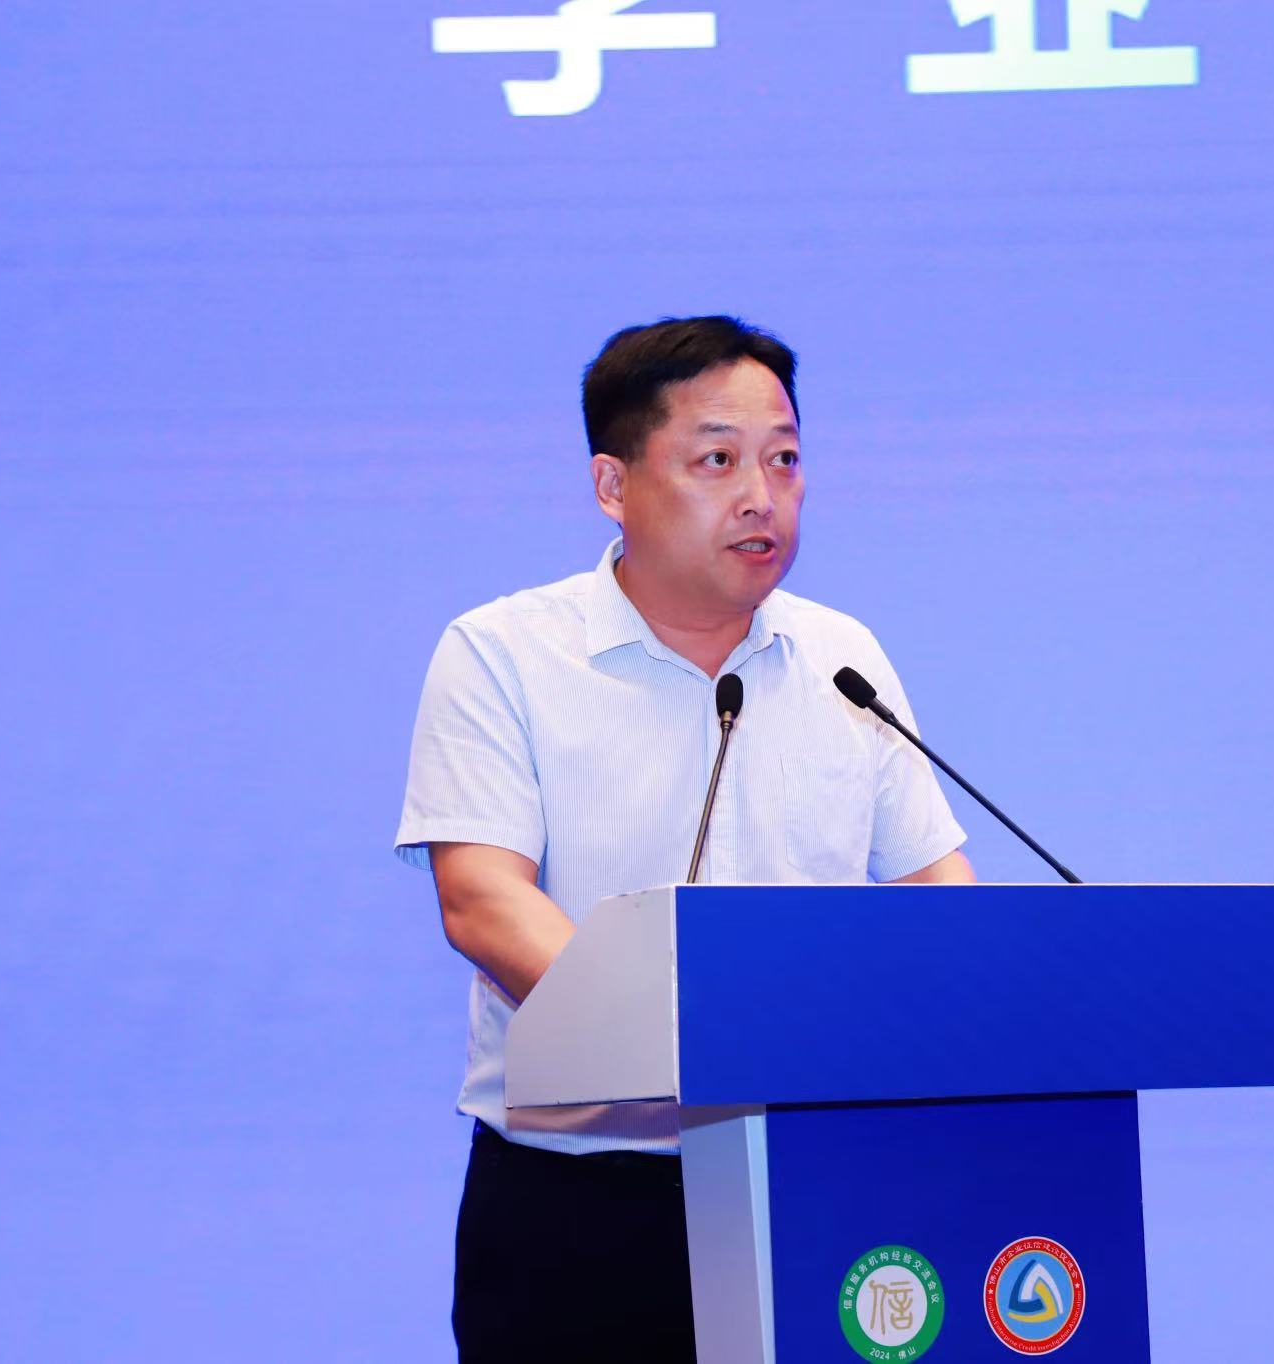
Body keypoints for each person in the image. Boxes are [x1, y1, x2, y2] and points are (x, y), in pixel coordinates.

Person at [393, 316, 975, 1360]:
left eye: (783, 460)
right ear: (612, 485)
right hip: (581, 1208)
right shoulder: (502, 652)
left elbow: (937, 887)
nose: (761, 495)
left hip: (816, 1187)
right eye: (717, 460)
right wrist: (694, 1038)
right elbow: (482, 900)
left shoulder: (842, 658)